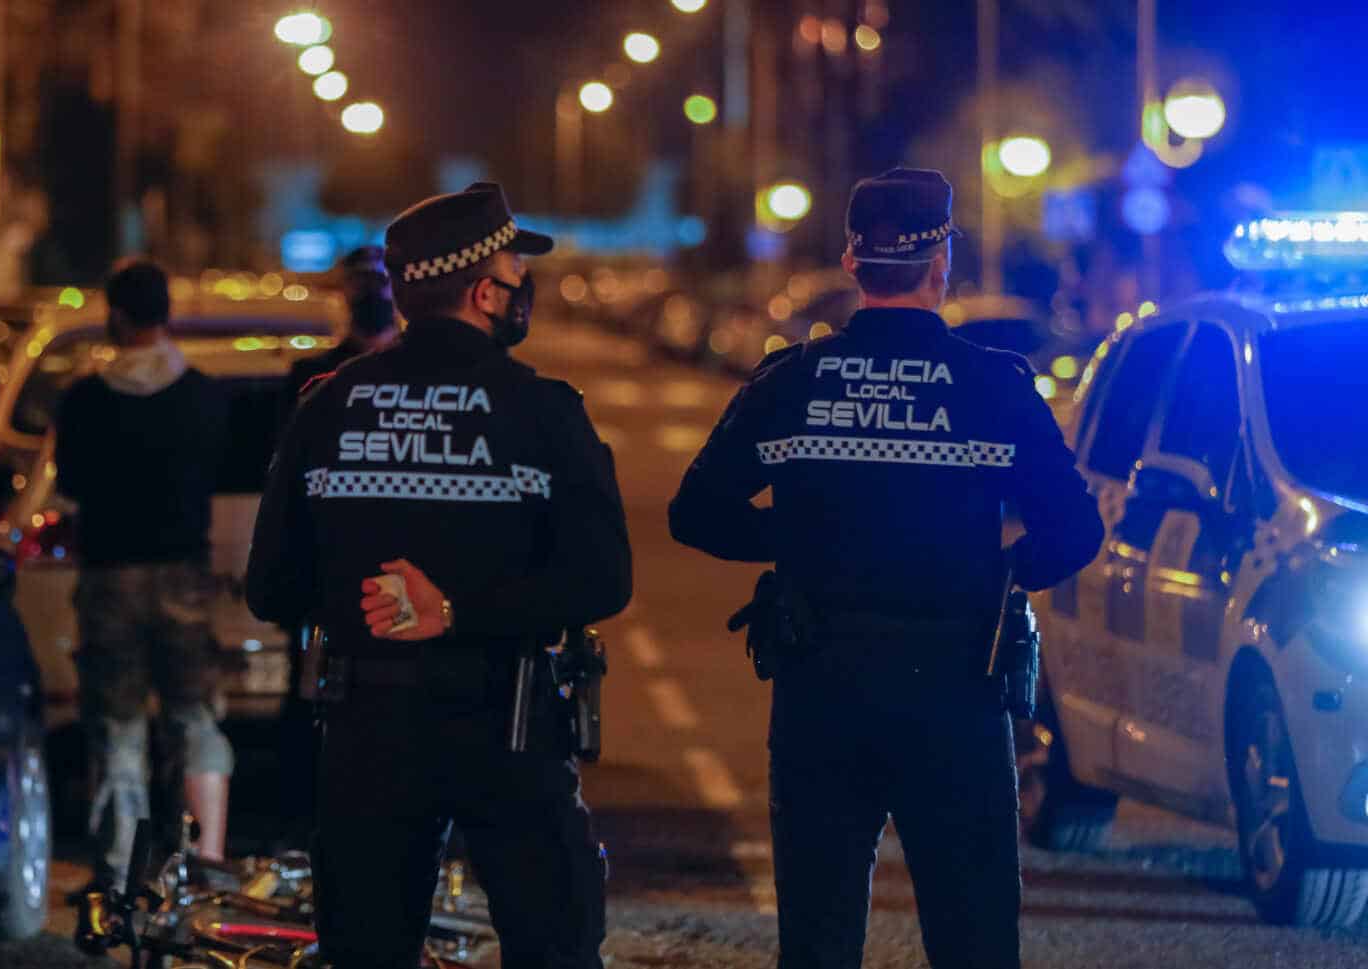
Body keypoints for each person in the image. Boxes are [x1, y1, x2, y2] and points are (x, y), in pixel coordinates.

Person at [668, 168, 1104, 969]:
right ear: (942, 265)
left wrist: (799, 539)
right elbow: (1074, 530)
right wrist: (1000, 568)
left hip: (820, 691)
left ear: (851, 262)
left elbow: (694, 513)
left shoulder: (791, 381)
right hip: (956, 691)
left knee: (819, 937)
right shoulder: (993, 386)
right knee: (973, 937)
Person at [246, 182, 632, 969]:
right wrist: (458, 609)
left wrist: (367, 603)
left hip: (367, 730)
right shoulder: (543, 410)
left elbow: (271, 588)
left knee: (367, 951)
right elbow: (601, 579)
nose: (524, 288)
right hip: (508, 724)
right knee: (553, 944)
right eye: (515, 272)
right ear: (486, 291)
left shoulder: (329, 405)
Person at [55, 259, 233, 889]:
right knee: (194, 717)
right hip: (184, 576)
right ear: (167, 316)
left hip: (110, 580)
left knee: (118, 726)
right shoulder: (205, 395)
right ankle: (207, 859)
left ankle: (120, 873)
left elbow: (71, 483)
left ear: (117, 315)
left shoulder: (84, 400)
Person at [273, 245, 399, 849]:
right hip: (337, 571)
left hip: (392, 569)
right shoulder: (317, 380)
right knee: (318, 705)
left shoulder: (415, 375)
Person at [278, 245, 399, 427]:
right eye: (362, 283)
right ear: (344, 290)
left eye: (380, 282)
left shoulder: (421, 371)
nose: (372, 292)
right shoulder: (312, 375)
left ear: (398, 290)